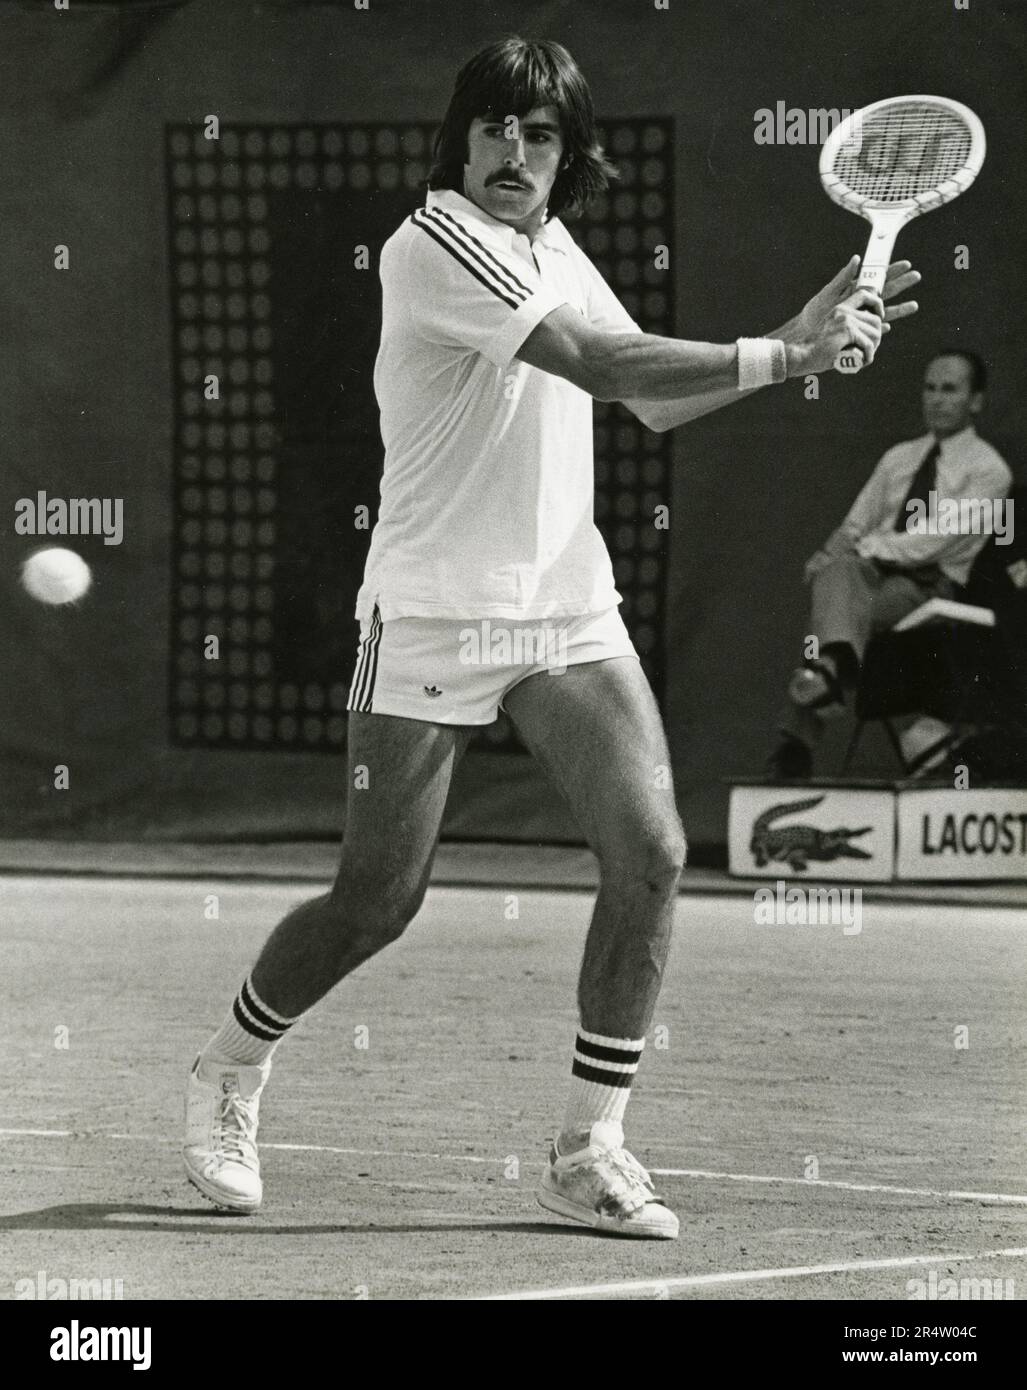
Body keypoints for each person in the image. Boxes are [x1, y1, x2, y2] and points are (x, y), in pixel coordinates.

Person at [183, 37, 918, 1238]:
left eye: (535, 135)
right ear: (459, 142)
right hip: (430, 609)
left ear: (567, 156)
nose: (509, 153)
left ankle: (588, 1146)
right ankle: (228, 1067)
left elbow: (651, 396)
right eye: (490, 129)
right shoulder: (434, 241)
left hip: (564, 611)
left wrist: (793, 339)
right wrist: (785, 354)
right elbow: (591, 356)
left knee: (651, 852)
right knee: (377, 897)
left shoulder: (553, 244)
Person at [769, 350, 1012, 779]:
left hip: (927, 586)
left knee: (841, 606)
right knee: (835, 572)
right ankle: (831, 672)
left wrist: (863, 547)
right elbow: (854, 524)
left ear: (975, 400)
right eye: (930, 388)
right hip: (870, 573)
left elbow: (931, 542)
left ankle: (799, 737)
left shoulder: (989, 471)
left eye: (950, 389)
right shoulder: (899, 457)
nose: (936, 399)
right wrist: (831, 554)